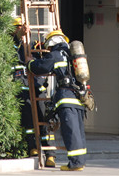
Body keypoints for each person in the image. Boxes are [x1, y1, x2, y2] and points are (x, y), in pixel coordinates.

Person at [26, 30, 87, 171]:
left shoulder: (56, 54)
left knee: (70, 131)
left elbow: (40, 67)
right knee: (78, 131)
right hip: (79, 97)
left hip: (67, 98)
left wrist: (30, 63)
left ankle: (75, 163)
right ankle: (80, 161)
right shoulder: (72, 54)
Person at [11, 18, 56, 167]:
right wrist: (19, 37)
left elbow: (46, 60)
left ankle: (50, 154)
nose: (22, 30)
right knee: (28, 121)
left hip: (38, 89)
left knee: (44, 120)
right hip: (23, 89)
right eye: (17, 28)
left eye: (22, 27)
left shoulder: (36, 46)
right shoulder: (11, 45)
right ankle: (34, 148)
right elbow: (12, 48)